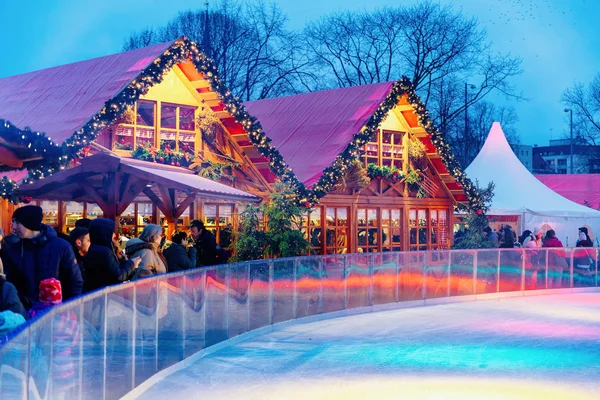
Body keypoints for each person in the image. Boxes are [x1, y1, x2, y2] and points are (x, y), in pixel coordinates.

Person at [1, 205, 82, 309]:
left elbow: (74, 281)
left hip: (56, 312)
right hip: (25, 313)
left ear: (28, 222)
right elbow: (11, 283)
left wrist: (70, 308)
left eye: (17, 222)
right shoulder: (14, 250)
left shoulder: (61, 247)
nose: (14, 227)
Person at [83, 218, 140, 293]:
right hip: (104, 294)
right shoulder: (104, 252)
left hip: (98, 292)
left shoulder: (98, 248)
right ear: (104, 232)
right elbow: (118, 276)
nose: (114, 235)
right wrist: (132, 264)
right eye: (112, 232)